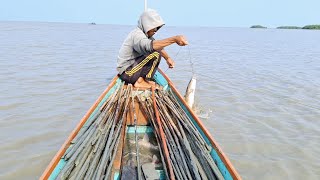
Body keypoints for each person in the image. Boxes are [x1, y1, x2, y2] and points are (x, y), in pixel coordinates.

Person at [117, 9, 188, 89]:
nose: (155, 31)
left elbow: (159, 48)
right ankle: (139, 82)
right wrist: (174, 39)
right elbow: (149, 46)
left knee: (156, 51)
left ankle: (143, 80)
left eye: (157, 28)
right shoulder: (137, 35)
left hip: (132, 70)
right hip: (127, 73)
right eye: (154, 28)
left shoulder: (147, 36)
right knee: (155, 53)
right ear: (147, 25)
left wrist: (168, 58)